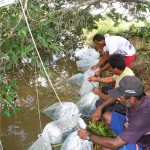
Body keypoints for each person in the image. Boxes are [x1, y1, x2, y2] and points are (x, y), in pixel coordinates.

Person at [78, 76, 150, 150]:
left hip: (141, 143)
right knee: (107, 116)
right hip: (130, 125)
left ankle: (124, 140)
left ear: (132, 99)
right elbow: (115, 97)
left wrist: (88, 136)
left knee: (107, 148)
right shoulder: (139, 96)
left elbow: (114, 144)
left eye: (119, 97)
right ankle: (124, 137)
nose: (118, 99)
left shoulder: (141, 118)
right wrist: (100, 108)